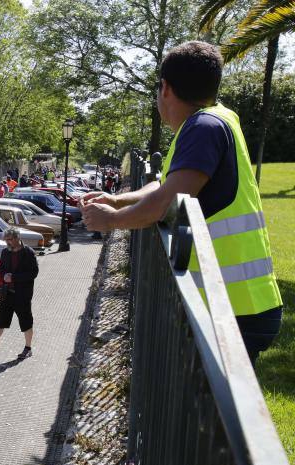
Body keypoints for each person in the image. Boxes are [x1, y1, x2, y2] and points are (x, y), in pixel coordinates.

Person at [81, 41, 282, 367]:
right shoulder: (215, 119)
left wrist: (112, 220)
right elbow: (165, 186)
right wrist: (116, 200)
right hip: (243, 302)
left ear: (166, 88)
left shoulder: (203, 128)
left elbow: (165, 204)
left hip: (234, 307)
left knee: (221, 399)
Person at [0, 228, 38, 359]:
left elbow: (33, 273)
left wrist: (13, 278)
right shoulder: (5, 252)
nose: (8, 242)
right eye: (6, 240)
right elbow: (1, 269)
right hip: (7, 293)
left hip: (22, 295)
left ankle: (28, 348)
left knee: (26, 321)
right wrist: (4, 276)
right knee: (0, 320)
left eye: (10, 239)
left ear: (17, 238)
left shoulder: (28, 253)